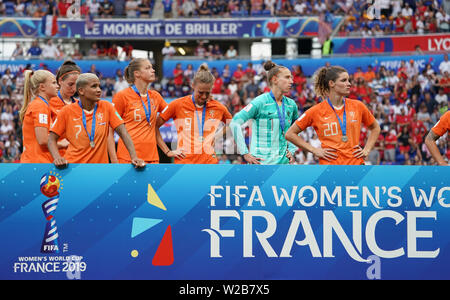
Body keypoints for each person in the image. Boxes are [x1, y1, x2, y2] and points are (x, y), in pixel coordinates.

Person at [285, 65, 381, 165]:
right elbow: (290, 134)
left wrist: (366, 150)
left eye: (348, 80)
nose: (348, 84)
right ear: (331, 83)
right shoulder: (316, 111)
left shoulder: (358, 106)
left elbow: (375, 128)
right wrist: (314, 150)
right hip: (329, 168)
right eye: (344, 80)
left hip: (356, 165)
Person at [48, 73, 145, 168]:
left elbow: (124, 133)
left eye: (99, 86)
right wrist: (57, 158)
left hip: (100, 169)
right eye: (94, 86)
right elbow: (51, 139)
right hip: (74, 167)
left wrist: (134, 157)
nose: (99, 90)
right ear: (81, 91)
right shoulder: (67, 111)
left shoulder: (107, 107)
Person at [156, 64, 232, 164]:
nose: (204, 96)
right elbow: (154, 126)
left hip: (209, 162)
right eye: (200, 92)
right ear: (192, 85)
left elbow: (232, 122)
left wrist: (217, 136)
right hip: (184, 163)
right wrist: (167, 151)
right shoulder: (178, 104)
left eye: (207, 93)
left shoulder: (218, 107)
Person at [112, 58, 180, 164]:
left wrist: (167, 151)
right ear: (137, 74)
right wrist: (114, 160)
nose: (153, 70)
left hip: (152, 158)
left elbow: (173, 112)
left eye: (152, 68)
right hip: (127, 159)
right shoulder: (122, 96)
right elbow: (109, 130)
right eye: (148, 68)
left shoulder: (156, 96)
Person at [230, 60, 298, 164]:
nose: (291, 81)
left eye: (291, 78)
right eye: (287, 77)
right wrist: (245, 153)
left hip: (284, 165)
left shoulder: (291, 105)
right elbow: (234, 122)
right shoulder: (260, 102)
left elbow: (293, 130)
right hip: (261, 165)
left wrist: (292, 149)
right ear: (275, 79)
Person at [19, 69, 61, 163]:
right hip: (37, 163)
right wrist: (63, 143)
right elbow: (43, 140)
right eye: (54, 83)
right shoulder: (40, 106)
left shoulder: (41, 105)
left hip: (36, 162)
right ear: (42, 87)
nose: (57, 86)